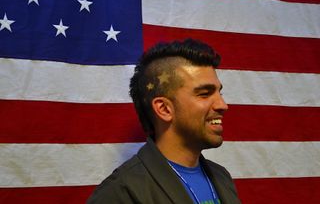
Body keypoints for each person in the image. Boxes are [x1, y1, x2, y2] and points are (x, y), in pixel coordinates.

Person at [87, 39, 241, 204]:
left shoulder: (221, 177)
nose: (222, 105)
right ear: (164, 109)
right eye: (204, 94)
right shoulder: (121, 193)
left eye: (220, 93)